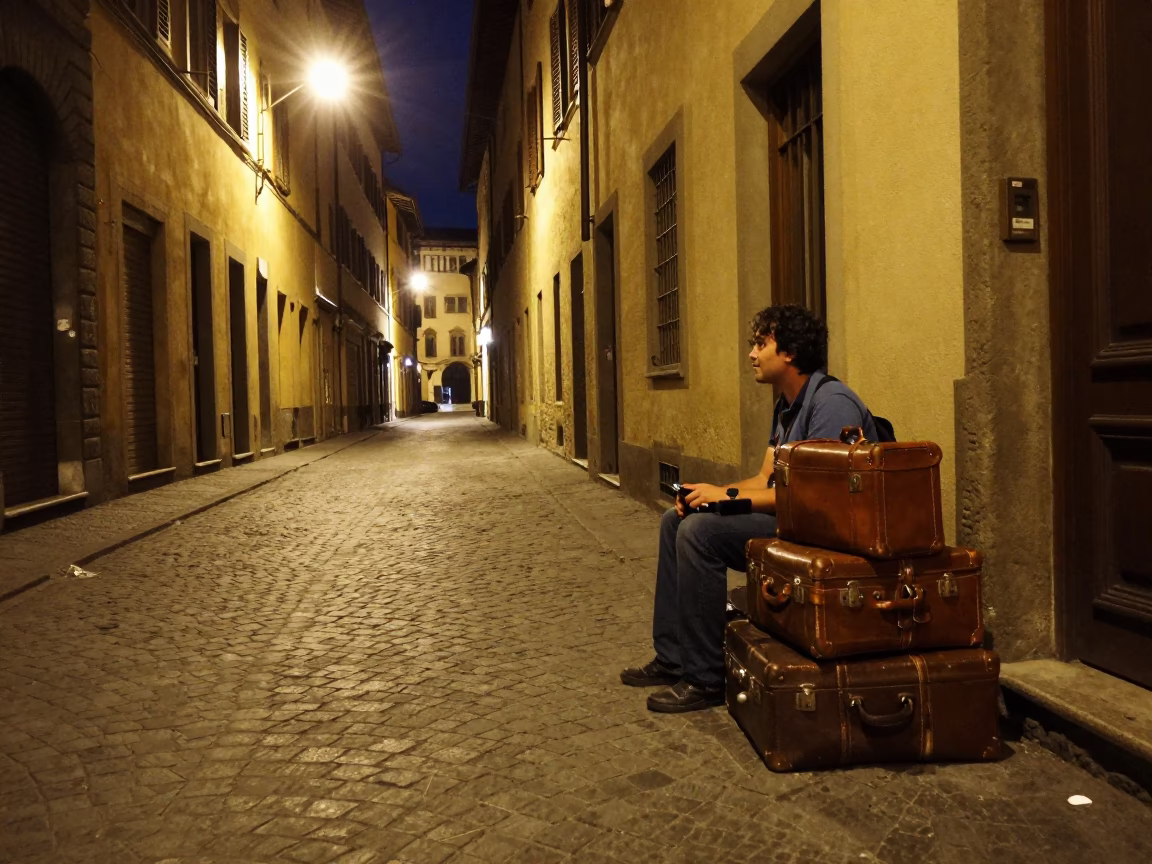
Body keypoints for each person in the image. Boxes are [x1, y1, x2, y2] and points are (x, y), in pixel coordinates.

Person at [621, 304, 879, 713]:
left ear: (789, 352)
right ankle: (673, 658)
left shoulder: (831, 403)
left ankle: (705, 678)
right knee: (676, 519)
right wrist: (711, 493)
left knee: (699, 533)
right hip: (795, 519)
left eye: (761, 344)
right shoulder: (786, 405)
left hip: (825, 531)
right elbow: (765, 480)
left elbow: (817, 496)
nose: (752, 354)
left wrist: (722, 500)